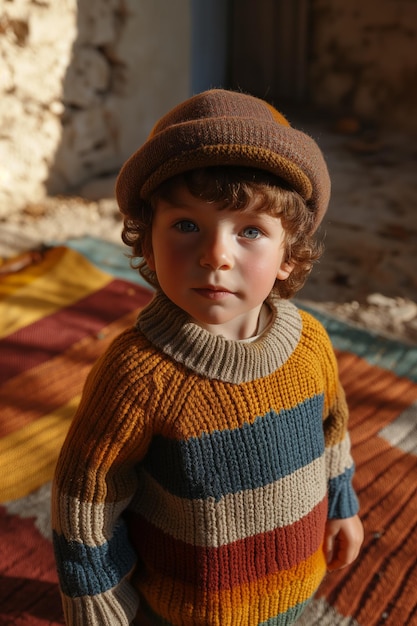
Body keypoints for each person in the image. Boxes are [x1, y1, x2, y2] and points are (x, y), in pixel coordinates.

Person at [52, 88, 364, 626]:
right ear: (147, 244)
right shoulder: (137, 375)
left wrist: (342, 504)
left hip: (296, 590)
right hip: (182, 610)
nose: (215, 254)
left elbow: (332, 431)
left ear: (288, 255)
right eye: (186, 225)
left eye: (250, 230)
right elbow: (87, 501)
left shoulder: (310, 342)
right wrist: (99, 604)